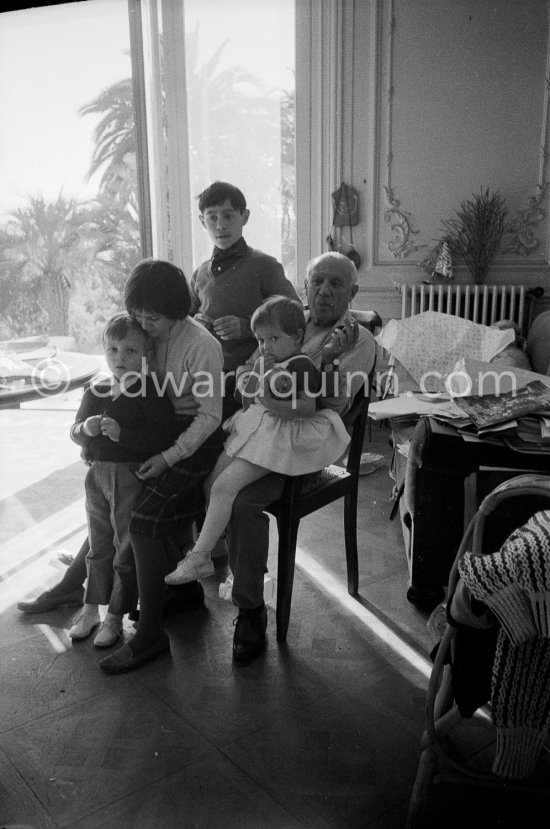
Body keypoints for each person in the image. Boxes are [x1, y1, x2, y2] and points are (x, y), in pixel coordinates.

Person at [227, 251, 377, 664]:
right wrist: (250, 380)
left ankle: (250, 609)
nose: (324, 291)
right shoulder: (289, 320)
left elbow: (333, 405)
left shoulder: (359, 341)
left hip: (306, 447)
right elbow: (250, 366)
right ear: (305, 286)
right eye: (317, 282)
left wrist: (326, 361)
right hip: (266, 432)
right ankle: (226, 566)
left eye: (336, 283)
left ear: (352, 292)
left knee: (242, 501)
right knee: (212, 473)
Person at [165, 295, 351, 585]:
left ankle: (199, 557)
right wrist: (257, 374)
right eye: (261, 340)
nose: (265, 346)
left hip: (281, 437)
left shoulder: (300, 365)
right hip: (257, 428)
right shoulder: (267, 361)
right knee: (210, 483)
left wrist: (270, 401)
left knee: (224, 487)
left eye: (273, 339)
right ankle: (214, 546)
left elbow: (307, 408)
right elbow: (247, 397)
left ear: (296, 336)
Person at [67, 313, 175, 647]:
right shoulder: (97, 389)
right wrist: (86, 429)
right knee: (97, 543)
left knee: (124, 547)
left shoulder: (151, 391)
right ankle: (90, 609)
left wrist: (122, 434)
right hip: (96, 477)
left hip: (128, 475)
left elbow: (161, 438)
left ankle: (115, 615)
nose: (120, 358)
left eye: (130, 351)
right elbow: (75, 431)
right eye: (113, 350)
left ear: (146, 355)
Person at [190, 180, 299, 417]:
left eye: (228, 216)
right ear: (202, 221)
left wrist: (248, 326)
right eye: (212, 217)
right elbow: (182, 323)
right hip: (203, 376)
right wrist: (195, 327)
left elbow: (295, 314)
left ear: (245, 217)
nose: (220, 225)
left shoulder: (265, 266)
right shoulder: (199, 275)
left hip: (248, 377)